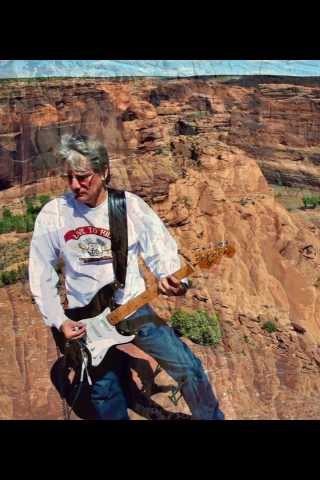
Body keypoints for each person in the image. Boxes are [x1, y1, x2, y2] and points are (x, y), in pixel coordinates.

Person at [29, 134, 224, 420]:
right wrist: (60, 320)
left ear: (104, 171)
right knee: (106, 392)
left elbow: (162, 253)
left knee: (189, 368)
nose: (74, 185)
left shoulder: (129, 207)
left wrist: (174, 280)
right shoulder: (54, 214)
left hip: (133, 306)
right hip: (84, 320)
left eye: (83, 177)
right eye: (69, 177)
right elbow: (40, 270)